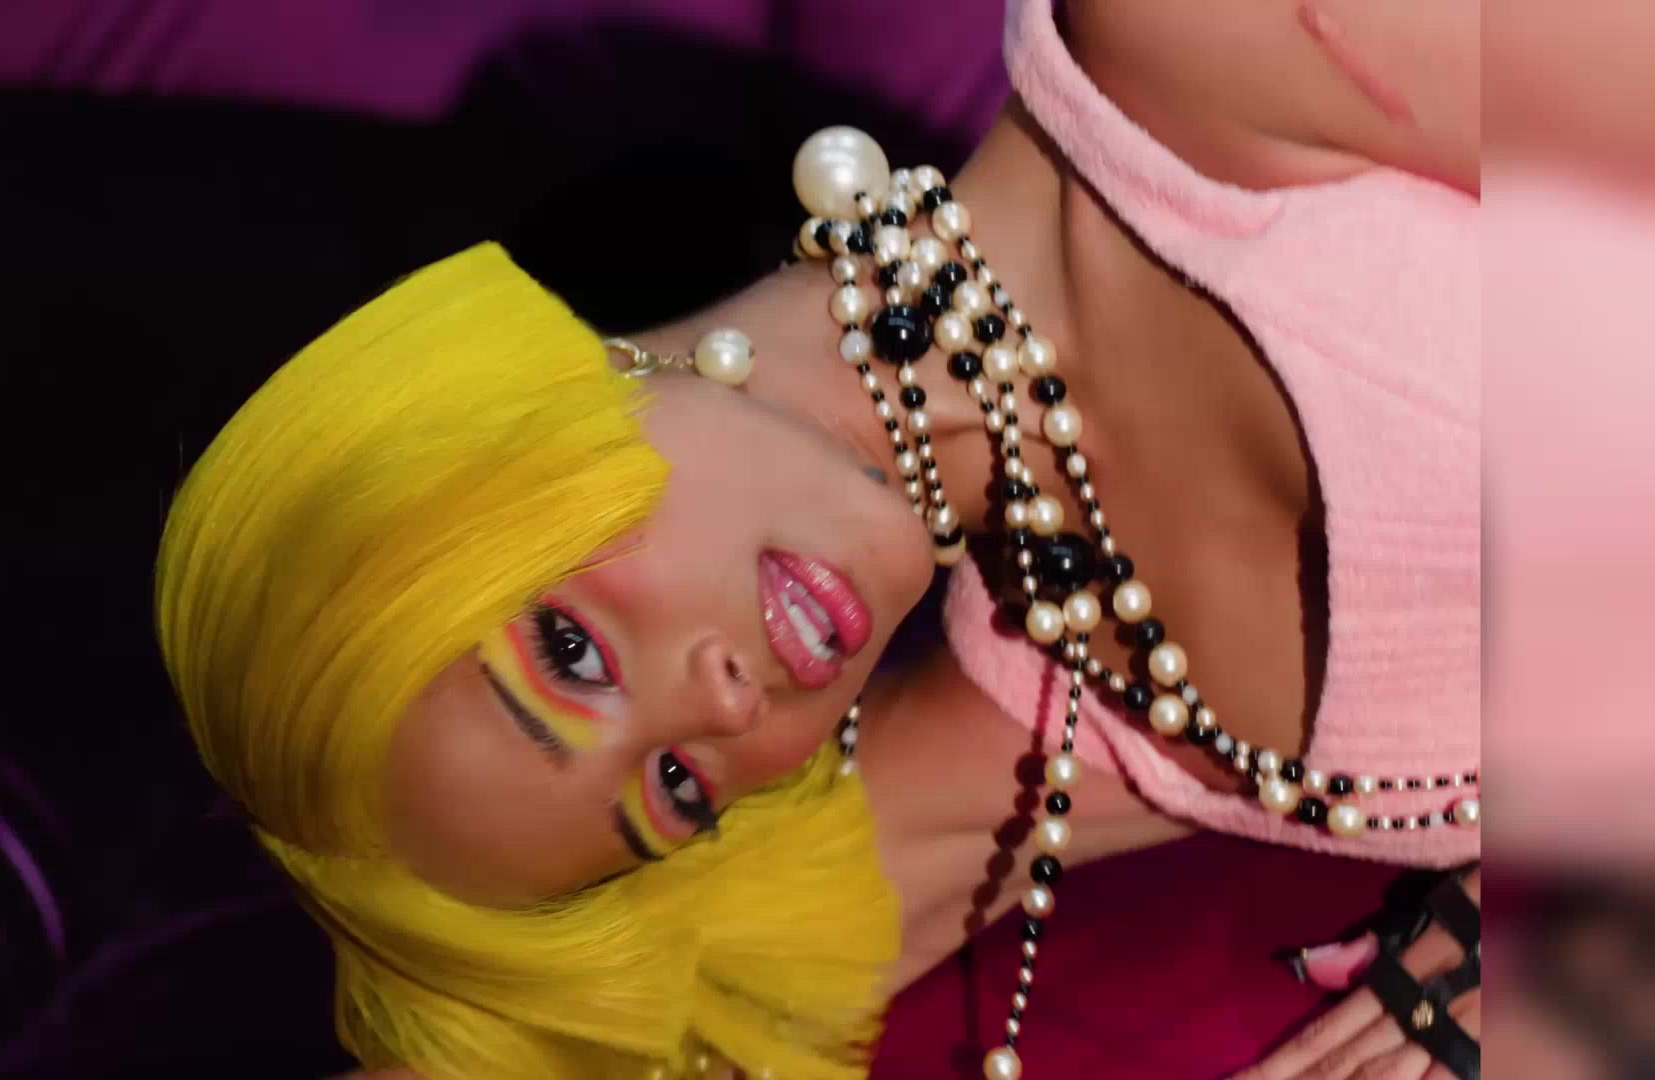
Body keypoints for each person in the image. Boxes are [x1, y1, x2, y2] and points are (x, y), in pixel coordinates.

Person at [156, 2, 1481, 1077]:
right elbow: (645, 1019)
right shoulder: (1078, 703)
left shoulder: (1196, 43)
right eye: (675, 791)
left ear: (497, 422)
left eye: (567, 652)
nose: (723, 705)